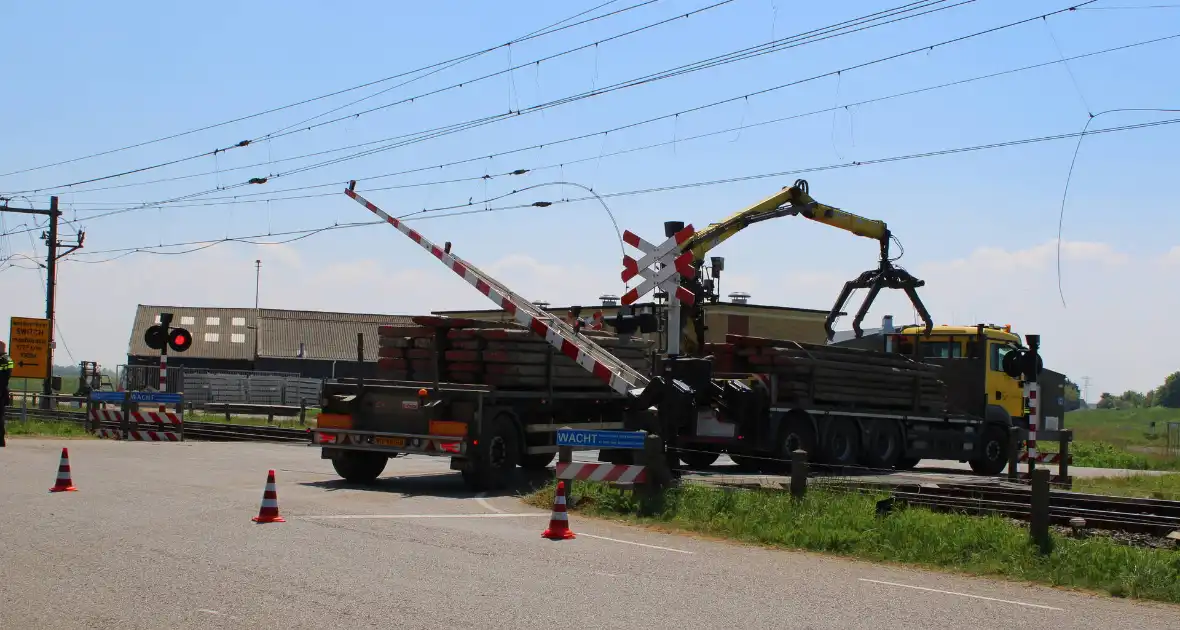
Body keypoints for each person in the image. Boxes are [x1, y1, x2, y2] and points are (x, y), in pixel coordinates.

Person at [0, 340, 12, 447]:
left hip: (1, 391)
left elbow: (3, 377)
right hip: (3, 391)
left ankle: (0, 439)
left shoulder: (3, 360)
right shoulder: (7, 359)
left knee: (0, 416)